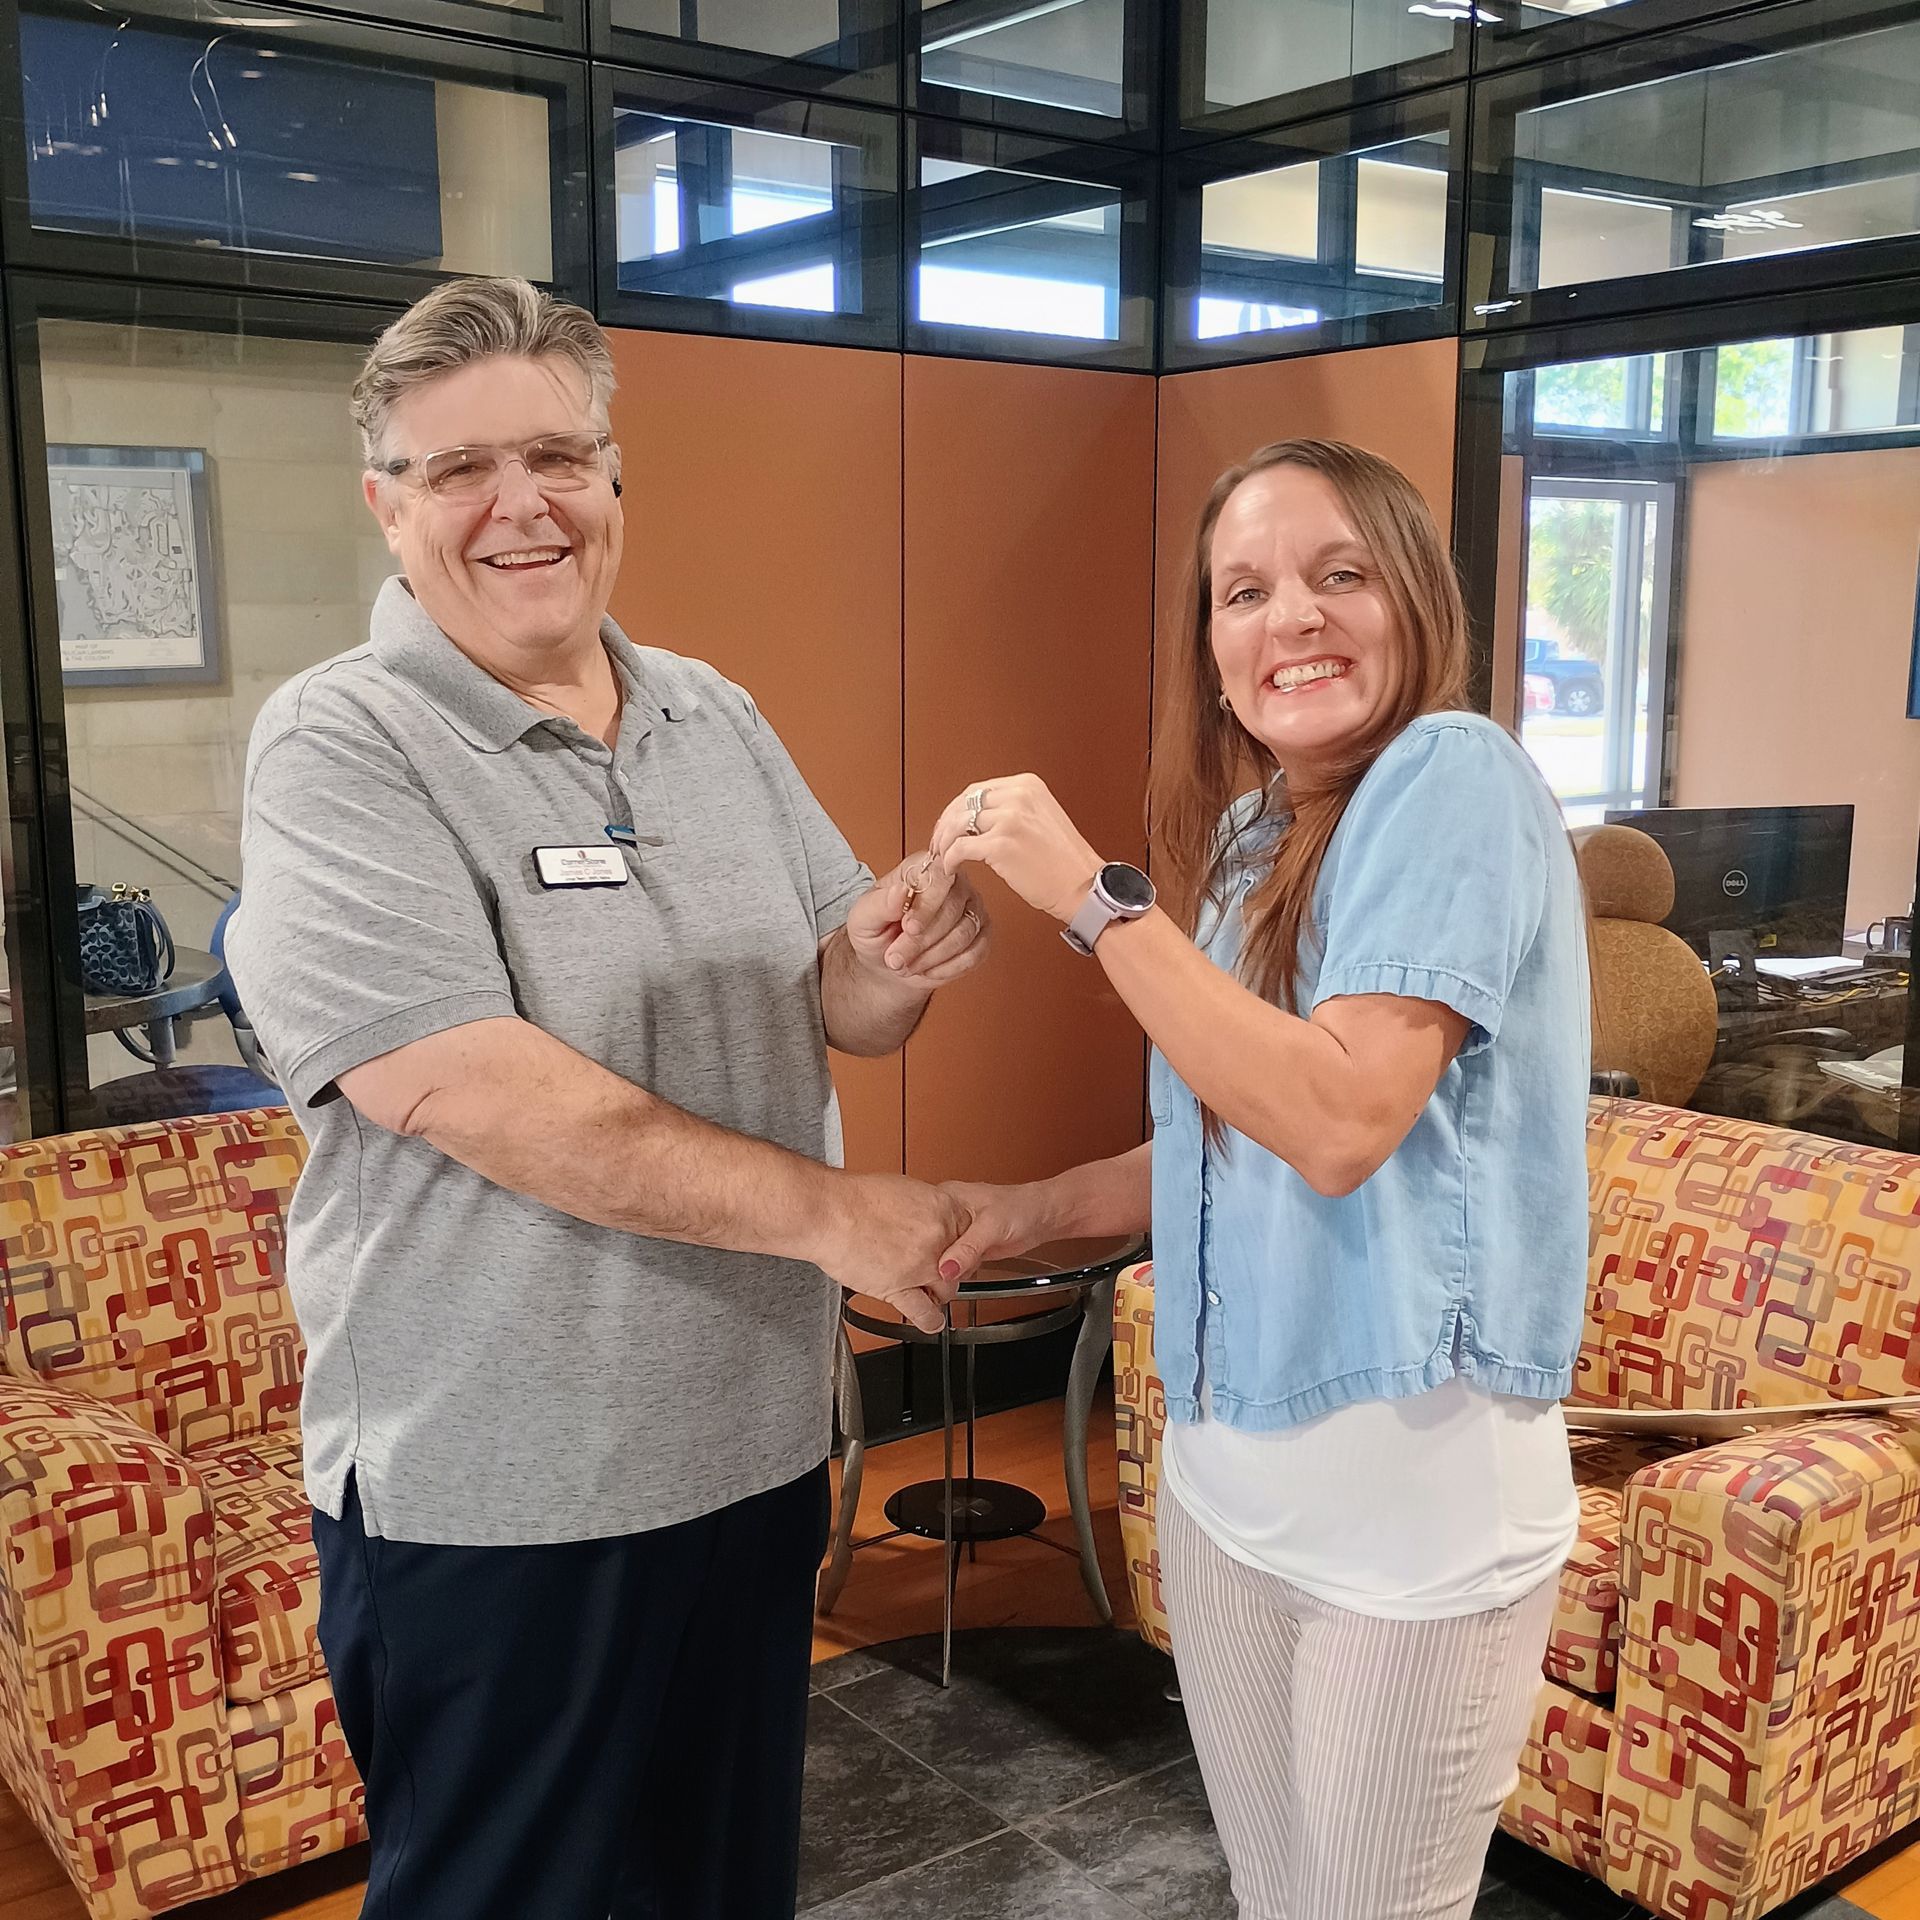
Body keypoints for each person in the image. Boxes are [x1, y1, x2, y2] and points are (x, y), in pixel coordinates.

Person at [224, 275, 990, 1920]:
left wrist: (898, 952)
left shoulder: (713, 710)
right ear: (387, 506)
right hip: (503, 1490)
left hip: (748, 1447)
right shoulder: (340, 745)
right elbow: (477, 1091)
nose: (524, 506)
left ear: (613, 477)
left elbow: (837, 999)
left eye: (559, 457)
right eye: (461, 469)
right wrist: (838, 1216)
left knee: (720, 1884)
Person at [924, 440, 1588, 1920]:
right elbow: (1224, 1146)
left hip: (1411, 1530)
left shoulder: (1456, 776)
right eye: (1244, 592)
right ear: (1213, 654)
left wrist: (1093, 901)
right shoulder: (1248, 838)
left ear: (1416, 598)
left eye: (1339, 574)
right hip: (1226, 1495)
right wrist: (1013, 1219)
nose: (1291, 617)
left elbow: (1341, 1120)